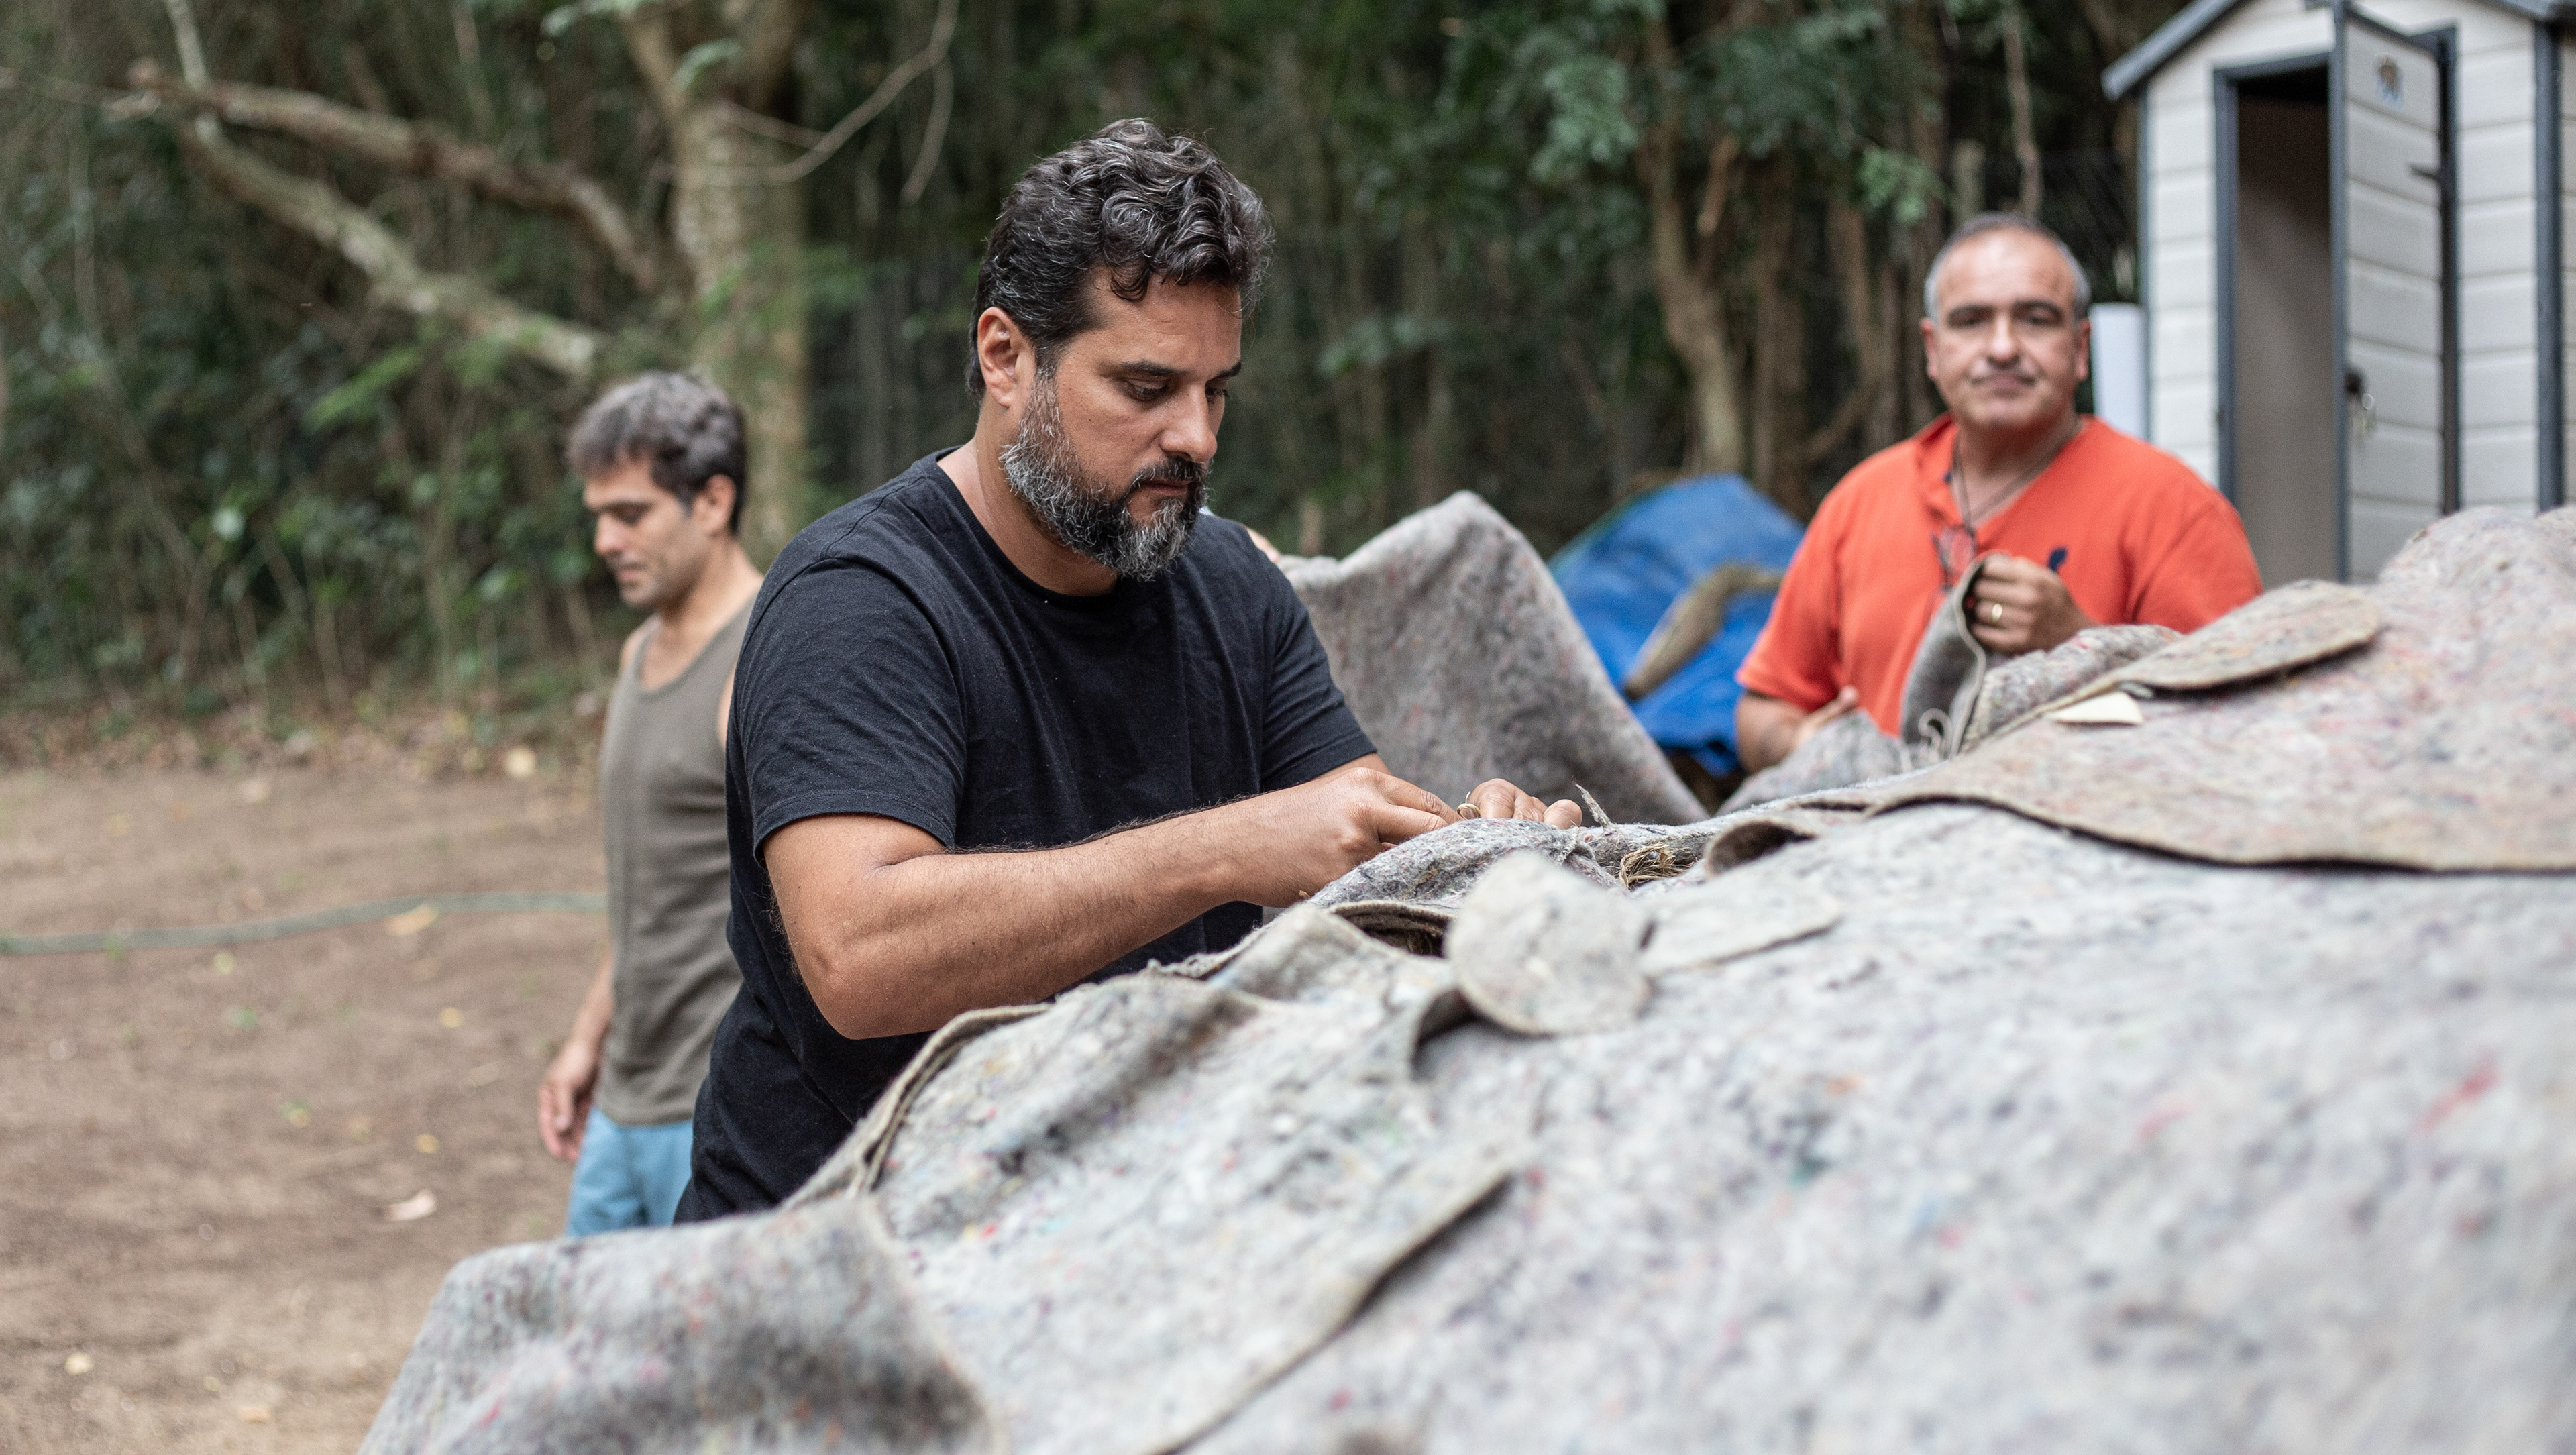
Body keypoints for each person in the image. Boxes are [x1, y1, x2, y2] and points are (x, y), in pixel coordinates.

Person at [678, 120, 1577, 1218]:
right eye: (1147, 387)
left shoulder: (1235, 583)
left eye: (1216, 390)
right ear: (1006, 358)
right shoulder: (861, 598)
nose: (1197, 438)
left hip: (1122, 1230)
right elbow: (861, 958)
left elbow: (1349, 859)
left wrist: (1477, 854)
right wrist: (1222, 851)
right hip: (840, 1246)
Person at [1734, 212, 2263, 772]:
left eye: (2035, 320)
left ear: (2081, 348)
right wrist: (1805, 747)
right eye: (1972, 321)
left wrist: (2081, 645)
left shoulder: (2174, 507)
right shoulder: (1860, 502)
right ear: (1933, 349)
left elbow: (2245, 727)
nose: (2003, 347)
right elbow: (1762, 712)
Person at [539, 374, 765, 1234]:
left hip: (711, 1108)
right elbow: (651, 890)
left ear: (713, 502)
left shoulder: (765, 656)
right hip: (623, 1101)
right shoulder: (636, 653)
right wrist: (586, 1041)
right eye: (600, 515)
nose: (605, 540)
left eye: (630, 514)